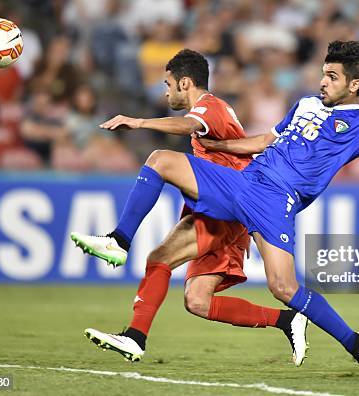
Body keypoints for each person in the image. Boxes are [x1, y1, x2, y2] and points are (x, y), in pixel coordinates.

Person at [72, 41, 359, 380]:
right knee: (160, 160)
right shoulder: (305, 104)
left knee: (284, 287)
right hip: (246, 182)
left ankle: (356, 343)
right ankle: (119, 241)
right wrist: (222, 144)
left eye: (333, 76)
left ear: (354, 85)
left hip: (278, 202)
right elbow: (264, 141)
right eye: (324, 73)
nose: (323, 82)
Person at [75, 49, 308, 365]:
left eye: (168, 84)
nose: (165, 91)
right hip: (224, 210)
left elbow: (187, 126)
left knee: (160, 160)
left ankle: (119, 241)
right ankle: (286, 320)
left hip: (228, 205)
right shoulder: (215, 111)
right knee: (196, 299)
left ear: (185, 82)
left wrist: (139, 122)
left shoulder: (210, 107)